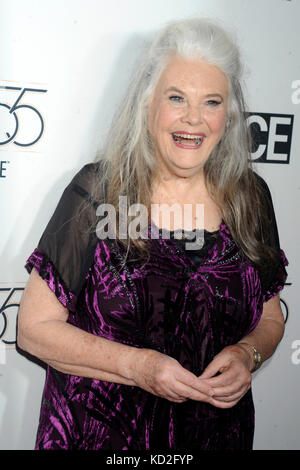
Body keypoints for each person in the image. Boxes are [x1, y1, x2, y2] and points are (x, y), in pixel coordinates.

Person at [18, 18, 288, 450]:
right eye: (176, 98)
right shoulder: (100, 193)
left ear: (229, 117)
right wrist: (137, 367)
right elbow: (33, 329)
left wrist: (248, 353)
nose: (194, 119)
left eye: (212, 102)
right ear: (148, 104)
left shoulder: (251, 199)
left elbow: (271, 317)